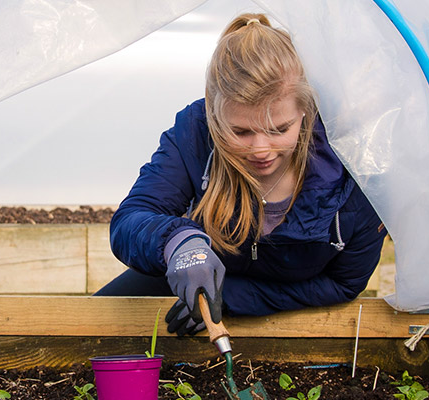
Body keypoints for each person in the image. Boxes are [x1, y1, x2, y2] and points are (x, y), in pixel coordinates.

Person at [98, 13, 386, 336]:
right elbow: (129, 220)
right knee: (92, 325)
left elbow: (345, 282)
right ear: (213, 111)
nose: (261, 150)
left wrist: (232, 297)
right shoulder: (195, 133)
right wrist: (177, 242)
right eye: (241, 131)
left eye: (279, 129)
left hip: (282, 301)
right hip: (195, 282)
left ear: (305, 110)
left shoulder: (353, 164)